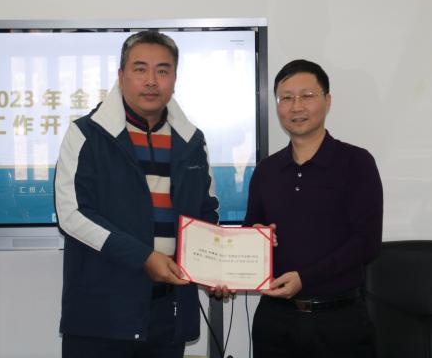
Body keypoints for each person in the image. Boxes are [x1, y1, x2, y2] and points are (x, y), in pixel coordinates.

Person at [54, 30, 219, 358]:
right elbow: (72, 215)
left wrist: (215, 268)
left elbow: (206, 212)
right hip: (101, 315)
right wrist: (143, 257)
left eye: (163, 70)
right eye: (140, 69)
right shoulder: (86, 134)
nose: (151, 81)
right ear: (121, 76)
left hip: (168, 312)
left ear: (175, 79)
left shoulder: (191, 141)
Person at [243, 59, 383, 358]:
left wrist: (305, 279)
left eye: (307, 96)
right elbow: (249, 229)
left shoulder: (356, 163)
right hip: (275, 321)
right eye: (286, 98)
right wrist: (256, 237)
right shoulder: (266, 170)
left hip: (339, 321)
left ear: (327, 101)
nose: (296, 107)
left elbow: (367, 243)